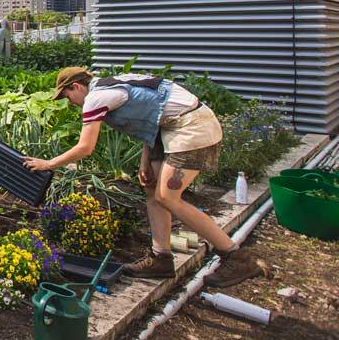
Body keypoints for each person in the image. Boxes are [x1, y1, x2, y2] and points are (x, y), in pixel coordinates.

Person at [23, 67, 263, 288]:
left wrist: (49, 163)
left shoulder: (96, 98)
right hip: (168, 128)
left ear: (76, 86)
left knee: (168, 198)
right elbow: (152, 116)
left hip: (190, 127)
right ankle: (161, 258)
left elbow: (86, 147)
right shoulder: (110, 85)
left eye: (66, 96)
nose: (70, 103)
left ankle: (235, 257)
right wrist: (145, 160)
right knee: (152, 190)